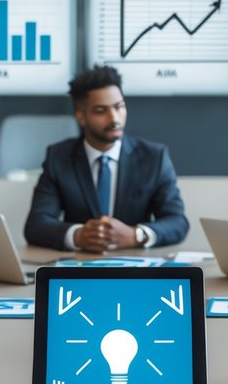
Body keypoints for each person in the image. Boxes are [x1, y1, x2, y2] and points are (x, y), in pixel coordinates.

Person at [23, 65, 188, 252]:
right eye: (101, 111)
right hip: (80, 267)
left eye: (119, 107)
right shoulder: (59, 158)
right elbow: (36, 225)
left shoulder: (154, 157)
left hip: (135, 268)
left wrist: (136, 235)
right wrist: (78, 236)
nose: (114, 117)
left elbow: (178, 222)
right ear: (81, 116)